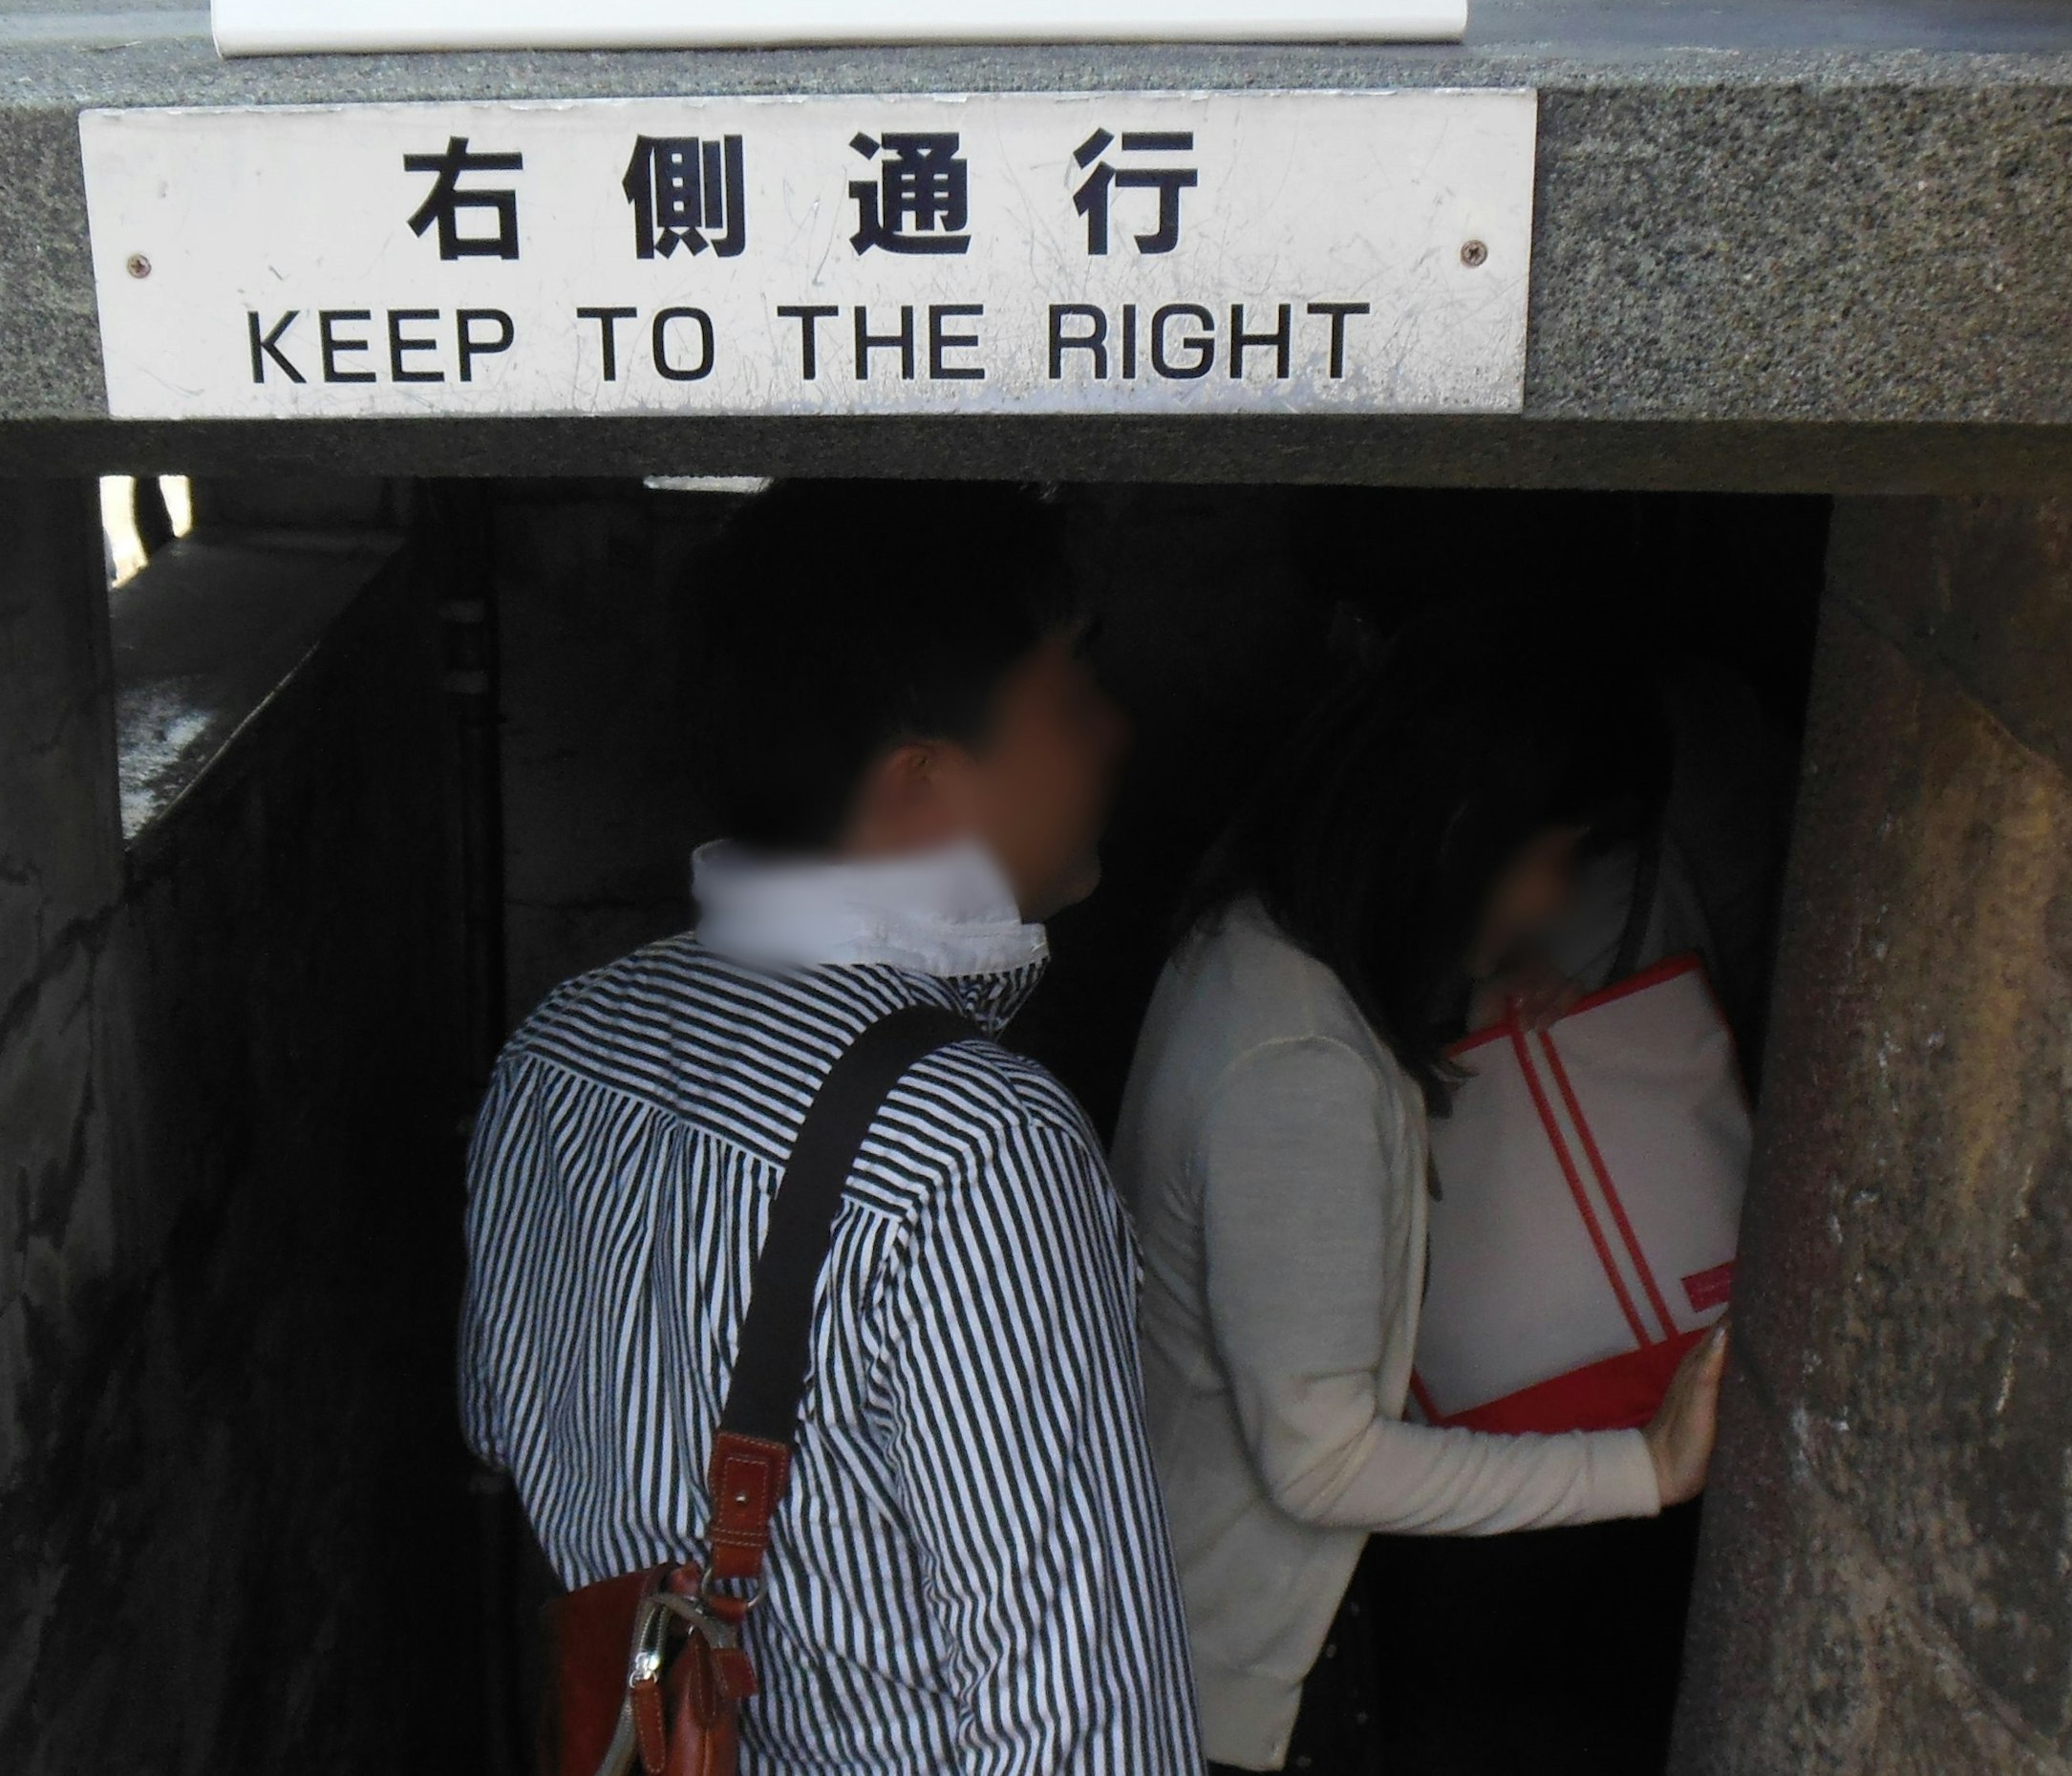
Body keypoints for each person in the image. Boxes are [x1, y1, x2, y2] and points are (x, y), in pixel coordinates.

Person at [460, 481, 1204, 1771]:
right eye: (1070, 689)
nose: (1114, 729)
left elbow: (502, 1421)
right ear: (922, 779)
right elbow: (1085, 1730)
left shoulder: (560, 1048)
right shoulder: (975, 1146)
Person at [1112, 638, 1725, 1776]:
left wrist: (1453, 994)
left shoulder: (1256, 940)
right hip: (1231, 1661)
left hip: (1201, 1611)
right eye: (1553, 859)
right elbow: (1323, 1462)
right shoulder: (1303, 1064)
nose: (1557, 899)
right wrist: (1646, 1465)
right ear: (1458, 838)